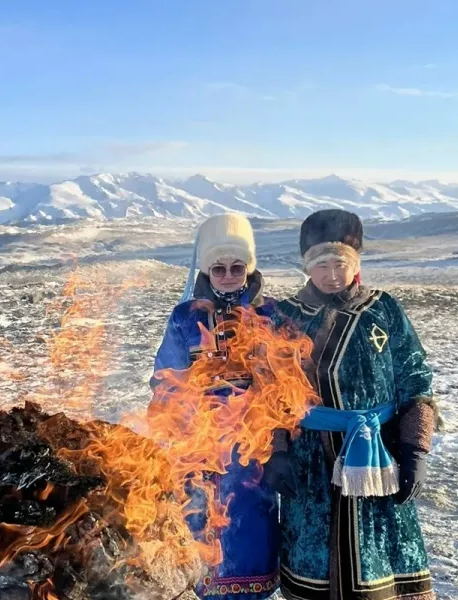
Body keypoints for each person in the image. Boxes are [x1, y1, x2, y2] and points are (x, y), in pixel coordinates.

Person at [267, 209, 438, 600]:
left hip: (380, 452)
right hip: (310, 457)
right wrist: (276, 452)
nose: (331, 274)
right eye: (321, 264)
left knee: (378, 560)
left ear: (355, 263)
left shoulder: (383, 309)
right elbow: (272, 391)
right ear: (307, 266)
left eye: (340, 263)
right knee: (315, 561)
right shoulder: (287, 316)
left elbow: (415, 379)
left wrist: (415, 451)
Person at [149, 213, 280, 600]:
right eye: (218, 268)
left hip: (251, 444)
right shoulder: (185, 317)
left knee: (250, 522)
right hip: (198, 441)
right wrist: (170, 423)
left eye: (236, 267)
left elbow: (284, 380)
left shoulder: (269, 314)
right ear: (207, 270)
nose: (227, 274)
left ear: (248, 268)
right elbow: (166, 376)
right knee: (199, 519)